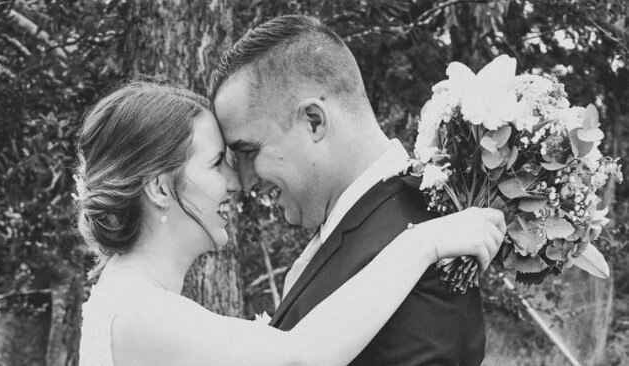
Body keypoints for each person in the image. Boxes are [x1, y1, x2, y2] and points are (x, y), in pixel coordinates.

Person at [76, 80, 506, 365]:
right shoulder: (141, 314)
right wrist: (423, 244)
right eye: (215, 164)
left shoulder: (128, 298)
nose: (235, 183)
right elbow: (299, 358)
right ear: (159, 188)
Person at [210, 15, 488, 365]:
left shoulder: (427, 251)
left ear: (314, 120)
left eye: (248, 151)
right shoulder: (378, 225)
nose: (245, 181)